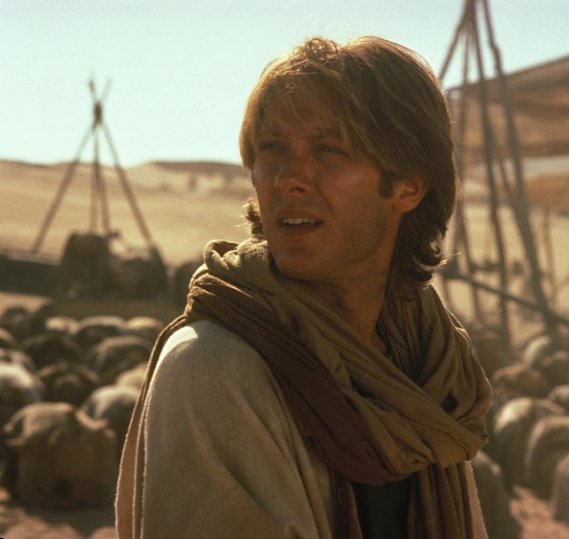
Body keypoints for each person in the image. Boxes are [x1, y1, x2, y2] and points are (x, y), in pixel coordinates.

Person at [115, 36, 492, 538]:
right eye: (272, 148)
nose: (287, 179)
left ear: (408, 185)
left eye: (328, 150)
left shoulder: (429, 368)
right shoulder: (212, 368)